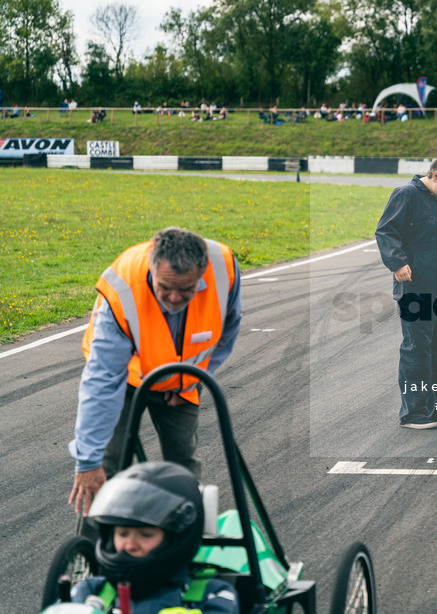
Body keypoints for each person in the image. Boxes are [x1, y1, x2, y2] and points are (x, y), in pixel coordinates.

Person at [69, 227, 242, 515]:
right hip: (123, 374)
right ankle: (95, 554)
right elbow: (101, 381)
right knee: (107, 467)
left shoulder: (223, 268)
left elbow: (227, 331)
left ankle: (182, 546)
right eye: (165, 287)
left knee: (183, 469)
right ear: (152, 267)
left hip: (180, 378)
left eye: (186, 289)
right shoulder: (122, 287)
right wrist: (87, 462)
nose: (175, 298)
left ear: (201, 273)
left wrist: (187, 382)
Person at [375, 141, 437, 429]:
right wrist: (397, 262)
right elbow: (385, 231)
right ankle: (414, 412)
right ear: (436, 175)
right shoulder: (406, 194)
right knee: (417, 349)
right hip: (416, 288)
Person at [69, 461, 239, 613]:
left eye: (145, 535)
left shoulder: (214, 595)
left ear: (176, 538)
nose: (130, 545)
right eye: (122, 534)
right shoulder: (90, 591)